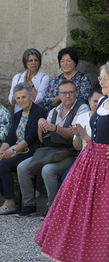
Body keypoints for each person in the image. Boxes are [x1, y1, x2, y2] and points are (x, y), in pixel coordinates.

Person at [34, 61, 109, 261]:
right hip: (88, 162)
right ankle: (77, 252)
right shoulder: (102, 102)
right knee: (79, 209)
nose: (101, 81)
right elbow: (99, 133)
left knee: (104, 213)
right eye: (100, 78)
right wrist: (88, 138)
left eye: (105, 78)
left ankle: (107, 254)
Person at [15, 80, 89, 218]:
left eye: (70, 92)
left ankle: (53, 208)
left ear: (75, 93)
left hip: (72, 154)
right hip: (51, 152)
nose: (67, 96)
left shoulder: (82, 109)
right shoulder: (55, 110)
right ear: (59, 95)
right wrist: (40, 125)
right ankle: (29, 205)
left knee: (48, 170)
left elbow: (74, 133)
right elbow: (43, 139)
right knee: (21, 167)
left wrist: (54, 128)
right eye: (64, 93)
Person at [0, 82, 46, 214]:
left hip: (31, 151)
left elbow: (31, 137)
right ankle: (11, 197)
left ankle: (10, 203)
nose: (21, 100)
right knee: (1, 161)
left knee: (5, 165)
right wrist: (2, 152)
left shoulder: (39, 112)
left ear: (31, 96)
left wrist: (12, 151)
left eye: (24, 97)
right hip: (17, 151)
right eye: (18, 98)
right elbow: (10, 138)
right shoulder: (18, 114)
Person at [60, 86, 103, 182]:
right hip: (84, 159)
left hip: (100, 162)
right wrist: (78, 135)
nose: (98, 104)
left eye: (101, 101)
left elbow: (102, 148)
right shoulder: (82, 117)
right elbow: (77, 147)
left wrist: (86, 137)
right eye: (95, 101)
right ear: (89, 100)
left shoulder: (107, 119)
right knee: (66, 179)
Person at [43, 47, 93, 111]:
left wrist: (64, 95)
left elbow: (85, 100)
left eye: (68, 61)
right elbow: (46, 102)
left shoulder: (83, 79)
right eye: (62, 61)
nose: (65, 64)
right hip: (57, 116)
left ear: (75, 62)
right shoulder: (55, 81)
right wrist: (59, 97)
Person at [8, 48, 50, 113]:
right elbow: (12, 101)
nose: (33, 63)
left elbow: (37, 100)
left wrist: (30, 82)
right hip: (19, 115)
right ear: (25, 63)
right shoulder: (17, 77)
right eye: (30, 60)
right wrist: (23, 86)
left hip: (35, 116)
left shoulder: (44, 78)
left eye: (36, 60)